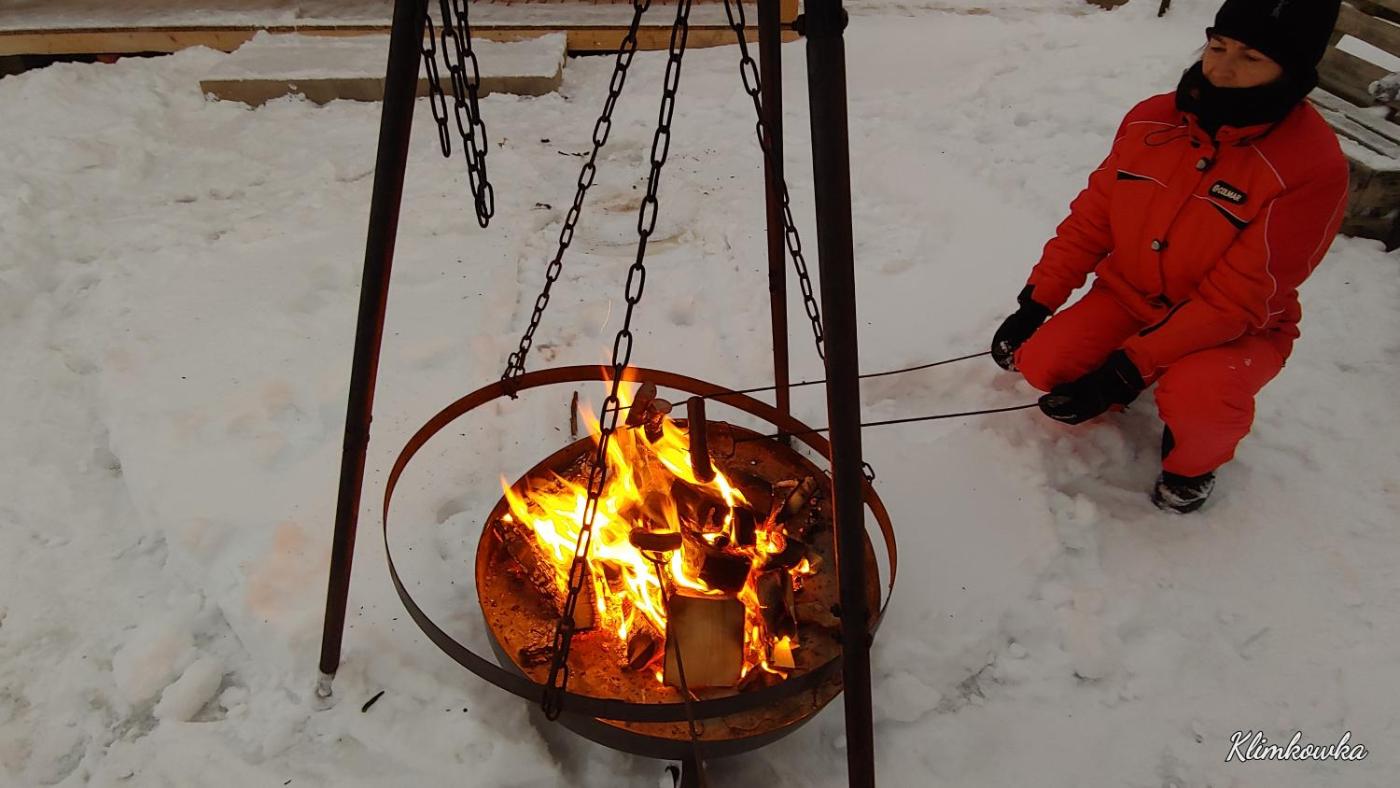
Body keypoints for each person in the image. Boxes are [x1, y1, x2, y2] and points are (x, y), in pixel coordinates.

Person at [991, 0, 1349, 513]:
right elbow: (1092, 219)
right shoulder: (1152, 120)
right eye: (1217, 47)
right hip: (1129, 296)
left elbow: (1237, 299)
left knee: (1199, 396)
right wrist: (1036, 303)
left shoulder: (1311, 167)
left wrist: (1125, 369)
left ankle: (1192, 466)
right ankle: (1131, 372)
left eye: (1251, 58)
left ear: (1291, 71)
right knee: (1045, 364)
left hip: (1235, 330)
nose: (1222, 69)